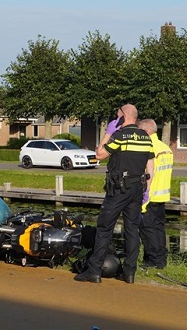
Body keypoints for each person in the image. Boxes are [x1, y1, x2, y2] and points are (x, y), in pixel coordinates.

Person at [74, 104, 154, 284]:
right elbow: (151, 168)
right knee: (132, 230)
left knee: (104, 228)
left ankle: (94, 271)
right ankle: (129, 273)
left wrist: (107, 134)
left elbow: (100, 155)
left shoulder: (120, 135)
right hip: (137, 189)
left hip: (118, 189)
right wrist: (146, 190)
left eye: (118, 116)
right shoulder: (146, 138)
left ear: (124, 117)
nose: (116, 119)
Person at [137, 119, 173, 270]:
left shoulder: (148, 149)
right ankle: (160, 259)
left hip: (149, 196)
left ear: (145, 132)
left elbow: (147, 175)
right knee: (159, 230)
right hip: (162, 196)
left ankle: (153, 262)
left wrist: (143, 199)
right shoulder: (165, 148)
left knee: (148, 230)